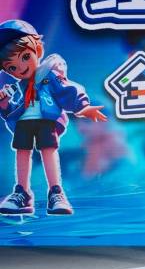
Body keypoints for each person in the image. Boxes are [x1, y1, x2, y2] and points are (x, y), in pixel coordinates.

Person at [0, 20, 106, 216]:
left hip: (46, 121)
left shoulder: (50, 76)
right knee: (22, 151)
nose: (20, 68)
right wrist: (5, 104)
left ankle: (56, 192)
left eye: (25, 57)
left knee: (48, 151)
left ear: (38, 50)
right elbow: (14, 110)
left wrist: (83, 107)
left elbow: (68, 90)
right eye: (11, 67)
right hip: (24, 122)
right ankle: (22, 192)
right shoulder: (20, 87)